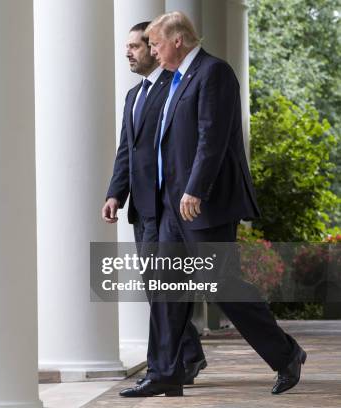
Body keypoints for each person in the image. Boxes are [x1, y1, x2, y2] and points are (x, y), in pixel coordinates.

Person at [118, 12, 306, 398]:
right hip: (171, 206)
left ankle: (286, 353)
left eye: (154, 44)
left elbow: (211, 139)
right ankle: (165, 372)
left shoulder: (213, 73)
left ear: (177, 41)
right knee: (167, 289)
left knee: (222, 286)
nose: (152, 50)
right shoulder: (174, 81)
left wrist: (195, 190)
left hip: (202, 205)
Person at [102, 22, 207, 386]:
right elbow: (126, 151)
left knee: (167, 287)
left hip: (167, 207)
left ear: (153, 46)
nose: (128, 52)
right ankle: (189, 354)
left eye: (135, 45)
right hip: (141, 208)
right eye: (126, 47)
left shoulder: (174, 88)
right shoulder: (133, 96)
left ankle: (178, 362)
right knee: (155, 288)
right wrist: (115, 193)